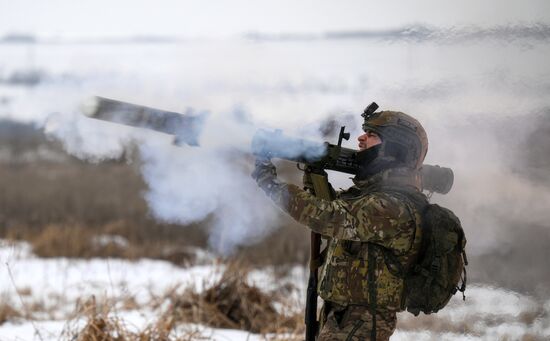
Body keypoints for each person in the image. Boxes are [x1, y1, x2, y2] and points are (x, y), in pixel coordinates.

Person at [252, 107, 430, 340]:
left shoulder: (391, 206)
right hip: (343, 315)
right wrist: (315, 175)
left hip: (362, 322)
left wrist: (269, 182)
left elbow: (327, 216)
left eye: (372, 134)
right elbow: (338, 215)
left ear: (395, 148)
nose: (361, 138)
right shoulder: (371, 197)